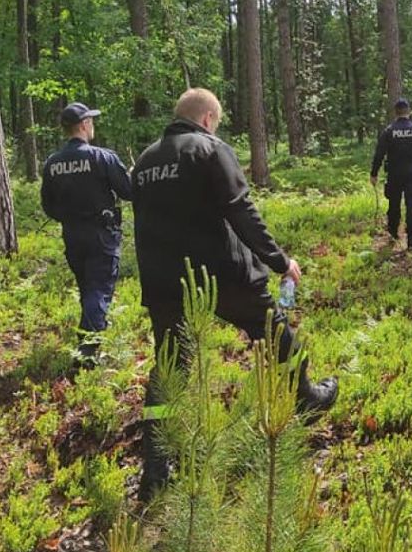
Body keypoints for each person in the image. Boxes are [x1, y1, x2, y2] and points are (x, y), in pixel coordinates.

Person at [131, 88, 338, 502]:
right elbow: (240, 209)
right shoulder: (210, 149)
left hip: (165, 283)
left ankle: (155, 462)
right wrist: (280, 262)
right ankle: (307, 398)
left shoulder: (145, 161)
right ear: (207, 118)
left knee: (170, 368)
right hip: (223, 275)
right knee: (277, 334)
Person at [41, 102, 132, 366]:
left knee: (87, 289)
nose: (93, 125)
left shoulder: (52, 163)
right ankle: (87, 356)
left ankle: (87, 341)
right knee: (98, 291)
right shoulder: (102, 157)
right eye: (90, 121)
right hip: (101, 235)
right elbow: (128, 191)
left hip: (72, 235)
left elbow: (48, 206)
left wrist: (71, 218)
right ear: (83, 125)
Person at [370, 98, 412, 248]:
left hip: (394, 173)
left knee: (394, 204)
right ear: (408, 111)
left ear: (396, 112)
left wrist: (374, 173)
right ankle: (411, 239)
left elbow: (379, 153)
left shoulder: (389, 131)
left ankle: (393, 233)